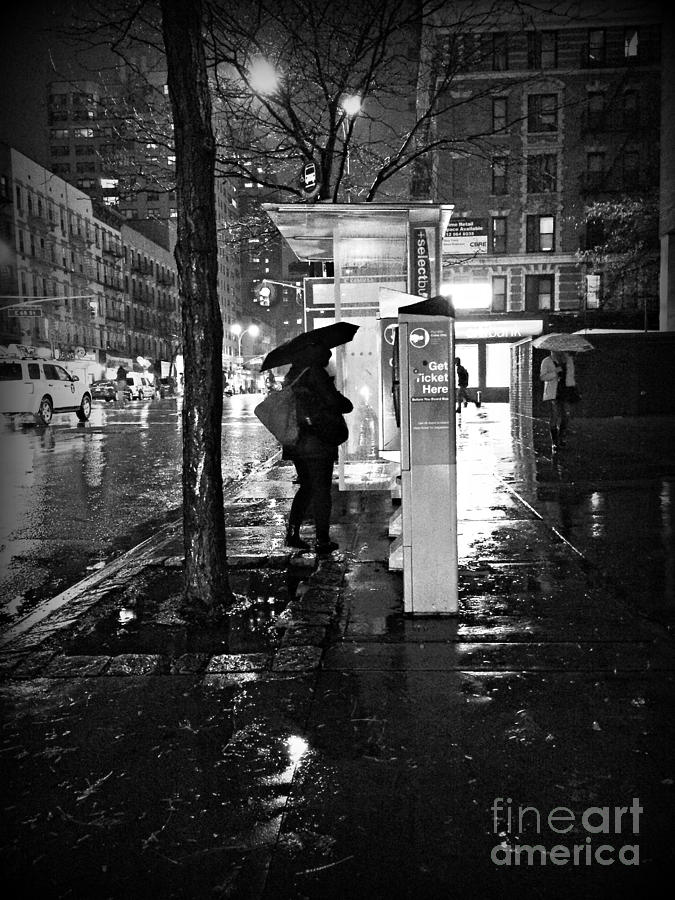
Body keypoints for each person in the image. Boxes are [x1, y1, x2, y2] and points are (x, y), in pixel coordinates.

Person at [283, 343, 353, 555]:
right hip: (318, 443)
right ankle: (322, 540)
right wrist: (341, 398)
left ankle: (293, 535)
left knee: (307, 487)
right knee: (322, 490)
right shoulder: (316, 373)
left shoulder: (294, 373)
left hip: (297, 443)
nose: (328, 355)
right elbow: (337, 403)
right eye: (326, 352)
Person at [540, 350, 576, 452]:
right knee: (554, 416)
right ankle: (555, 442)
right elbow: (543, 377)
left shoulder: (569, 361)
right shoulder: (546, 361)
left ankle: (561, 437)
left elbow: (571, 376)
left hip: (565, 392)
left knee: (566, 415)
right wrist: (555, 371)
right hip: (553, 393)